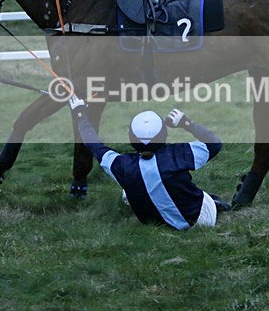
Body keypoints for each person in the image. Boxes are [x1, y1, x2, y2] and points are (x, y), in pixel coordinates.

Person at [69, 95, 230, 229]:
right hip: (201, 220)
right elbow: (214, 143)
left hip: (154, 225)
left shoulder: (121, 165)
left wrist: (80, 114)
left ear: (132, 139)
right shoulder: (179, 153)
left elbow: (93, 144)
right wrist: (185, 122)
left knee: (127, 191)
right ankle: (214, 203)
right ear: (163, 135)